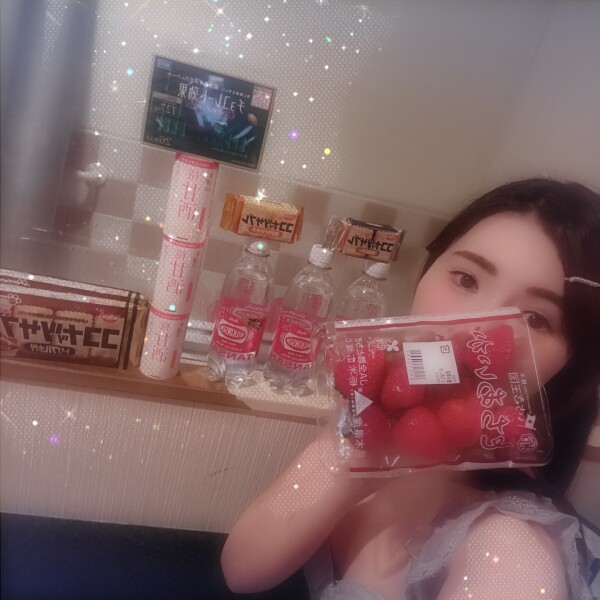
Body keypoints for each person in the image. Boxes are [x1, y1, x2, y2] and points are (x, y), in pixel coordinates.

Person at [221, 179, 600, 600]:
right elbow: (242, 570)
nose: (474, 330)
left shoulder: (510, 544)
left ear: (571, 364)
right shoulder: (368, 423)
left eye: (535, 319)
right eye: (466, 279)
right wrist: (361, 449)